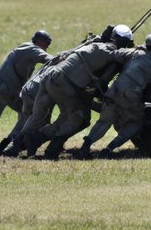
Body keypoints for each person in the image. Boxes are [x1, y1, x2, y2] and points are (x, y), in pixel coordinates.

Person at [30, 27, 137, 159]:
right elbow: (116, 62)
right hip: (66, 84)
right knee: (78, 120)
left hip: (53, 77)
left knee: (70, 117)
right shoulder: (109, 51)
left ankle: (44, 146)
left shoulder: (95, 44)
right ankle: (38, 138)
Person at [77, 34, 151, 159]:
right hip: (131, 95)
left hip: (114, 90)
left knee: (104, 121)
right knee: (135, 122)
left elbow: (115, 54)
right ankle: (109, 149)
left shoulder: (133, 53)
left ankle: (85, 146)